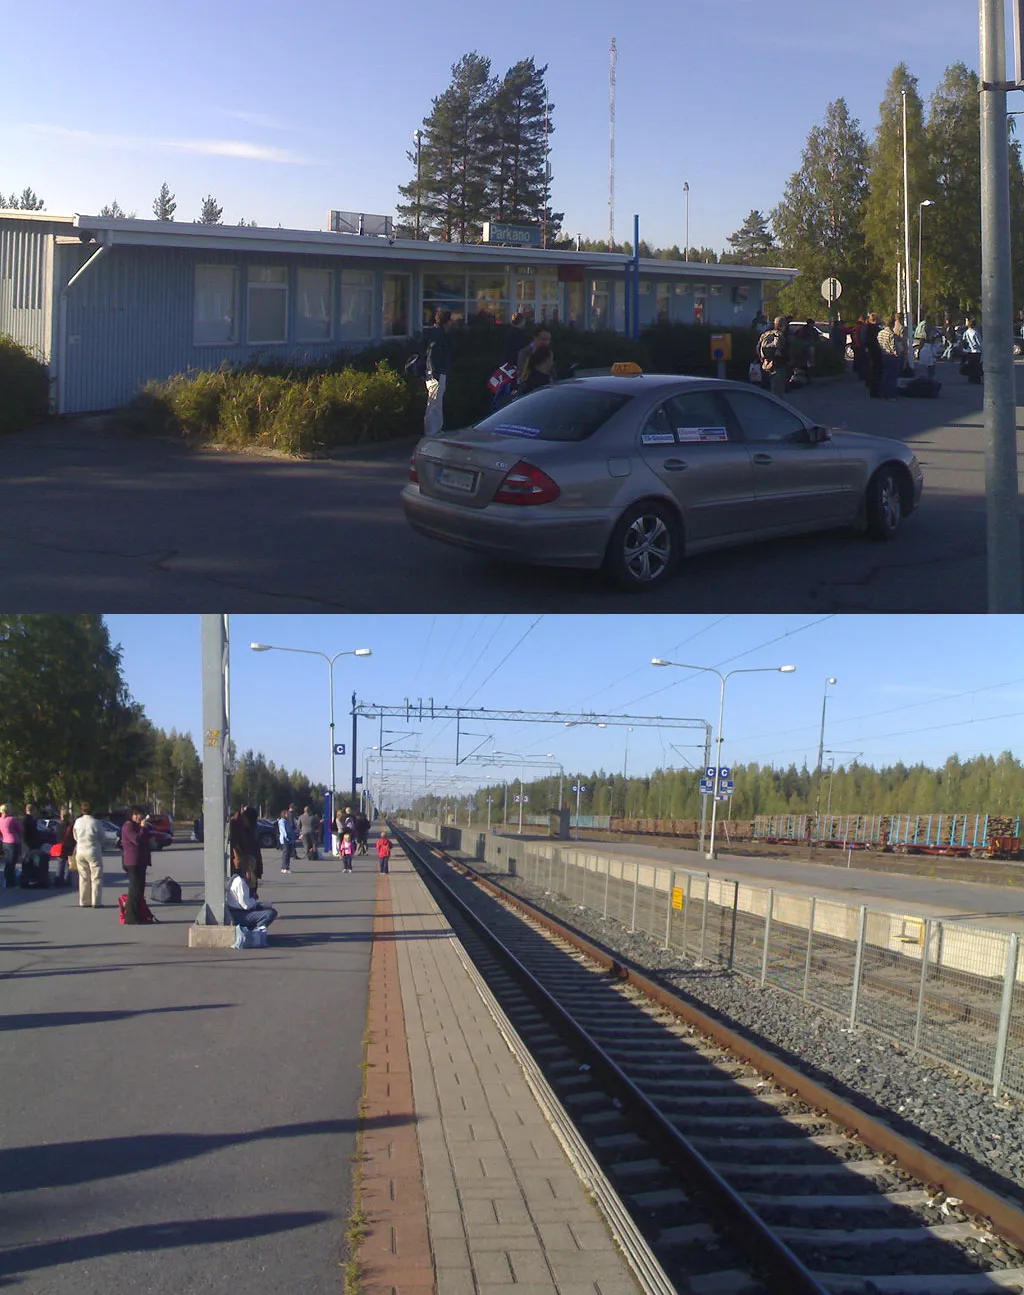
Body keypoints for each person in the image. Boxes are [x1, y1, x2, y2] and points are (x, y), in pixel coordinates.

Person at [423, 309, 453, 437]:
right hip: (437, 373)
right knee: (434, 403)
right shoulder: (439, 335)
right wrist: (434, 371)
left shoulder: (436, 333)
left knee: (435, 403)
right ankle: (432, 431)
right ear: (446, 321)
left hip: (435, 372)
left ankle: (435, 429)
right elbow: (433, 354)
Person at [225, 859, 278, 932]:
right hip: (238, 914)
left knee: (265, 908)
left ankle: (254, 929)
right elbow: (246, 905)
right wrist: (258, 905)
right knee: (270, 913)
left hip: (237, 912)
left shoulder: (237, 879)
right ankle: (255, 931)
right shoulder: (240, 882)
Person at [120, 806, 153, 924]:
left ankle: (139, 914)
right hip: (133, 861)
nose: (141, 817)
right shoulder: (128, 826)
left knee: (140, 890)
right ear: (132, 815)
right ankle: (130, 917)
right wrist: (143, 828)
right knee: (134, 889)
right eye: (138, 815)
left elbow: (147, 838)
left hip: (141, 861)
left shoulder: (137, 826)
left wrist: (145, 828)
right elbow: (136, 840)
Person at [72, 801, 106, 908]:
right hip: (93, 849)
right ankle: (96, 901)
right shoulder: (95, 822)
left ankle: (84, 901)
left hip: (80, 850)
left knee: (83, 877)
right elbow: (102, 837)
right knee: (96, 876)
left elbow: (75, 836)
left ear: (82, 810)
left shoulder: (77, 822)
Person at [757, 317, 788, 397]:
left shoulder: (765, 334)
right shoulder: (781, 336)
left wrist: (762, 359)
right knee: (777, 392)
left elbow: (758, 348)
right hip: (778, 365)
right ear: (783, 325)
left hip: (766, 365)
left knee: (766, 391)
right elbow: (785, 351)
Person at [516, 323, 554, 389]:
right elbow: (522, 375)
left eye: (548, 340)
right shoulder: (524, 353)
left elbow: (552, 373)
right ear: (535, 338)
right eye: (543, 339)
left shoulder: (549, 353)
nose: (546, 343)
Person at [20, 803, 48, 887]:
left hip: (29, 844)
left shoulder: (25, 820)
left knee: (28, 862)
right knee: (34, 862)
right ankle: (34, 878)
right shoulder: (30, 820)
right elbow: (28, 833)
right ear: (33, 810)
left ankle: (29, 878)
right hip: (31, 845)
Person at [877, 316, 901, 400]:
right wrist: (897, 354)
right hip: (891, 356)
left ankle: (884, 393)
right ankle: (891, 394)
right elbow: (893, 346)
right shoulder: (891, 334)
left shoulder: (880, 333)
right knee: (892, 376)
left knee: (885, 375)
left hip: (883, 355)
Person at [0, 804, 23, 889]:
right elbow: (21, 828)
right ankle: (12, 882)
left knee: (8, 862)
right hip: (13, 841)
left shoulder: (0, 820)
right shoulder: (12, 819)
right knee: (12, 863)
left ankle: (7, 880)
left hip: (4, 842)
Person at [861, 312, 883, 398]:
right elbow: (867, 340)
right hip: (873, 351)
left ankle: (873, 387)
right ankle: (874, 391)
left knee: (873, 371)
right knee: (875, 371)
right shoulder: (871, 328)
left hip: (872, 351)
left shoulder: (868, 327)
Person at [55, 811, 75, 887]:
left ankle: (58, 880)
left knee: (60, 863)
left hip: (60, 846)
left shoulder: (58, 826)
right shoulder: (70, 826)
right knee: (68, 864)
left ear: (61, 817)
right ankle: (67, 881)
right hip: (69, 846)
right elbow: (73, 837)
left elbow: (57, 836)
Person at [962, 317, 983, 384]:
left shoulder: (966, 332)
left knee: (971, 365)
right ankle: (976, 379)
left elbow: (964, 340)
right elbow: (979, 342)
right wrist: (982, 350)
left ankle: (971, 379)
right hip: (976, 351)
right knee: (977, 366)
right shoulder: (975, 332)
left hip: (969, 351)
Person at [277, 808, 297, 874]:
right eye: (286, 814)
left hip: (288, 839)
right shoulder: (282, 821)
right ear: (284, 814)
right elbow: (284, 830)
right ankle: (285, 867)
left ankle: (284, 867)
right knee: (286, 854)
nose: (288, 815)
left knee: (287, 854)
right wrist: (287, 837)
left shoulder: (286, 821)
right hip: (286, 839)